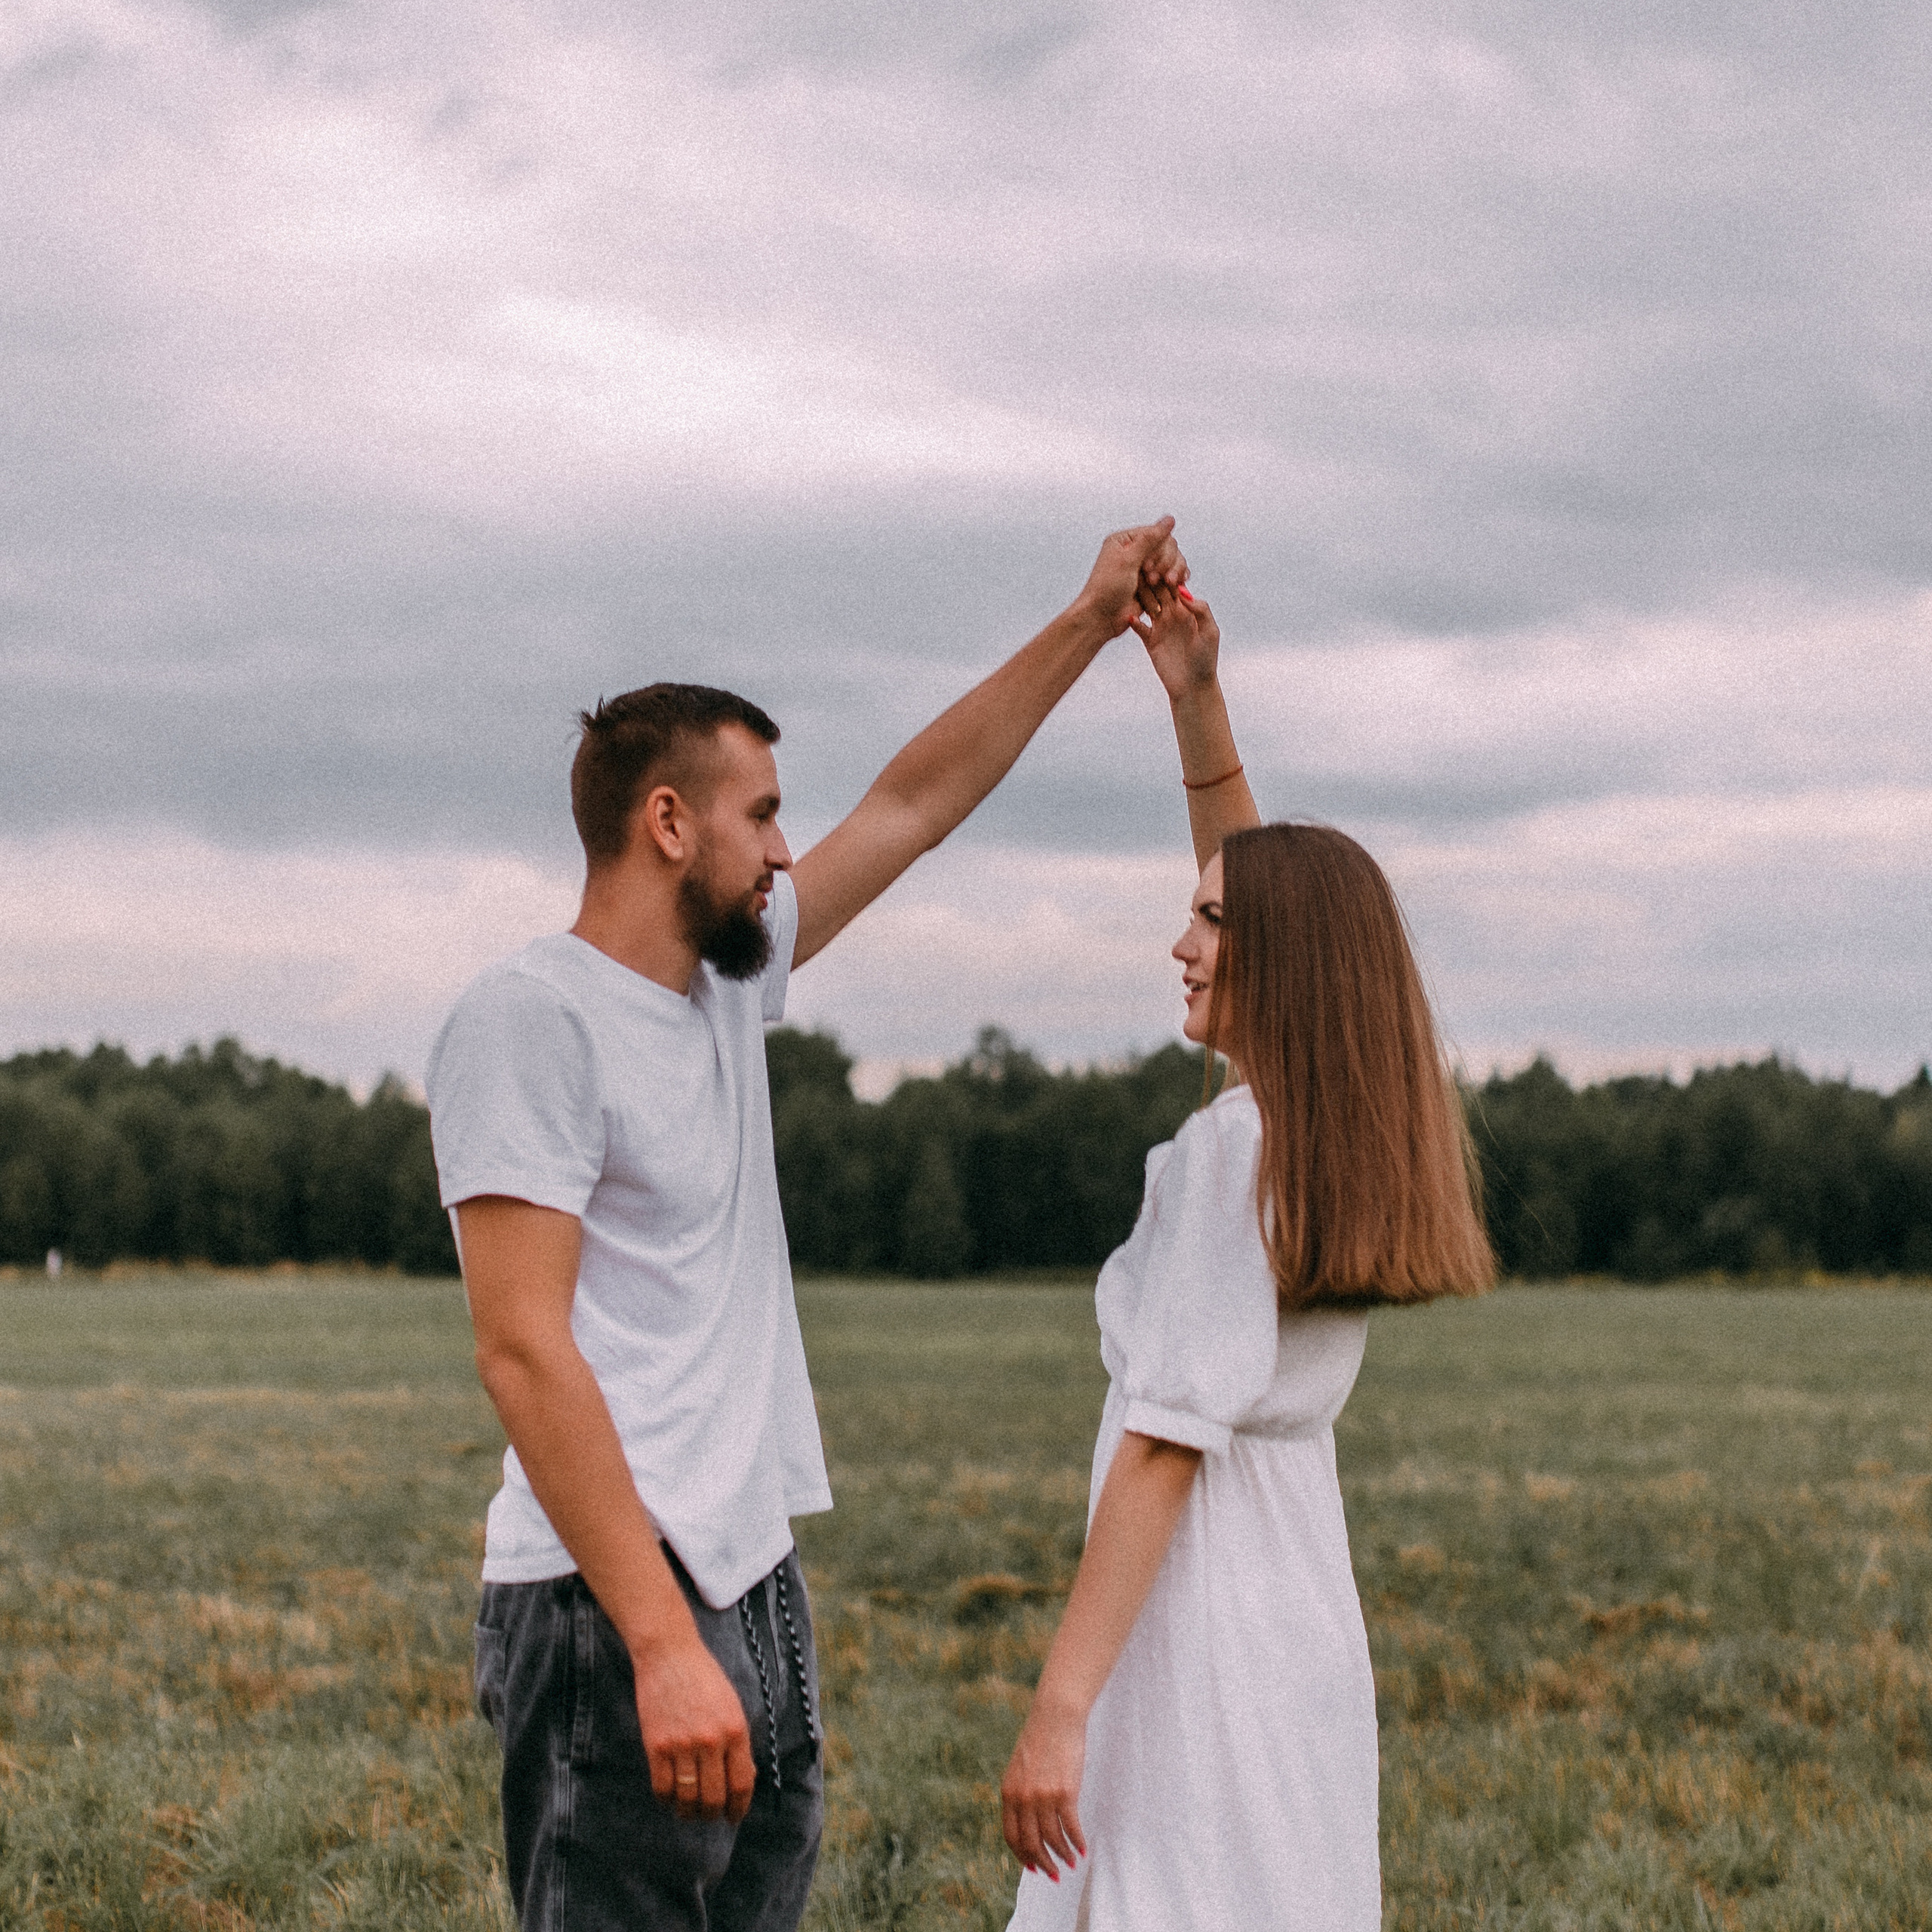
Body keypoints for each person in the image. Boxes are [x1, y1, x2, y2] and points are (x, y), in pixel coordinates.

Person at [423, 518, 1189, 1932]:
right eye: (762, 815)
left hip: (756, 1583)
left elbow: (913, 804)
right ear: (668, 822)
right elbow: (523, 1352)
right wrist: (659, 1644)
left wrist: (1091, 623)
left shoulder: (721, 989)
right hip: (614, 1608)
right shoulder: (529, 1021)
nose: (785, 852)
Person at [998, 583, 1494, 1930]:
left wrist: (1059, 1709)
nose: (1181, 939)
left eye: (1209, 923)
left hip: (1201, 1636)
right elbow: (1275, 893)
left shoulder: (1235, 1159)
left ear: (1276, 959)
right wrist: (1195, 701)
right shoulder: (1317, 1145)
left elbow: (1161, 1449)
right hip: (1293, 1627)